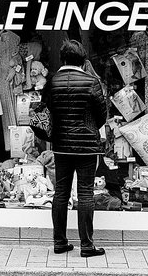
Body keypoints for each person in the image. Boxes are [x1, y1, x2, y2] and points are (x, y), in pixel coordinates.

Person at [43, 40, 107, 257]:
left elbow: (46, 112)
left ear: (63, 58)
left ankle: (59, 242)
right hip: (87, 146)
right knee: (85, 193)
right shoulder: (92, 82)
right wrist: (88, 128)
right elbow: (101, 115)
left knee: (60, 193)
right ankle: (87, 246)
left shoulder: (52, 82)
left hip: (61, 145)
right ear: (83, 59)